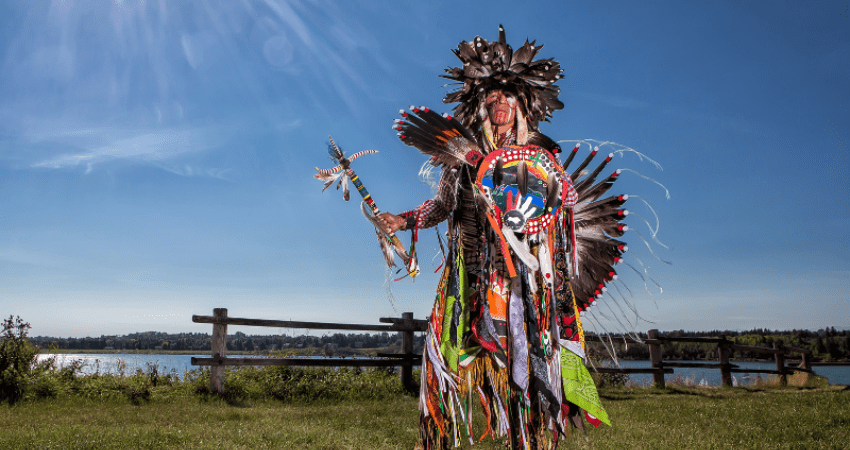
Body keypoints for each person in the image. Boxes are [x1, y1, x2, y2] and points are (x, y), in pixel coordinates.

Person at [377, 26, 621, 449]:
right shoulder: (462, 158)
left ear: (522, 103)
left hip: (522, 282)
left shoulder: (541, 154)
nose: (500, 103)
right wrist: (404, 219)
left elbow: (564, 196)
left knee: (523, 364)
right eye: (491, 96)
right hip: (467, 275)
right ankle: (432, 439)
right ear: (481, 105)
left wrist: (549, 195)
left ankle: (528, 441)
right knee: (443, 358)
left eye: (508, 95)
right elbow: (442, 207)